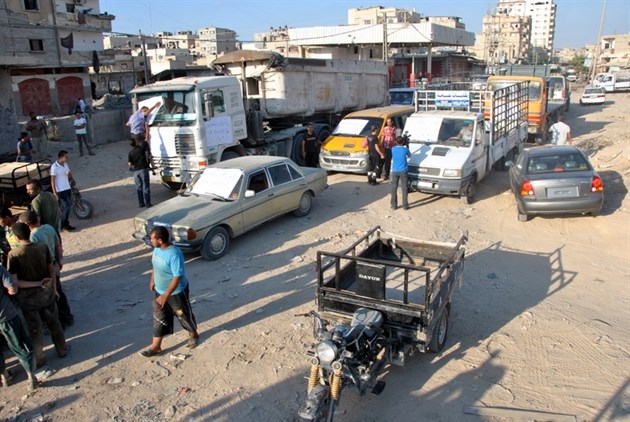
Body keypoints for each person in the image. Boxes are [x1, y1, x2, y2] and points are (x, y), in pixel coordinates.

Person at [7, 222, 69, 368]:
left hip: (28, 299)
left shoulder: (13, 255)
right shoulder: (42, 247)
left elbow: (16, 282)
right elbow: (51, 271)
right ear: (29, 232)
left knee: (35, 329)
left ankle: (40, 358)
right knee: (54, 323)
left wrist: (36, 284)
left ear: (16, 237)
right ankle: (62, 349)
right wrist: (54, 289)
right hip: (47, 293)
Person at [139, 226, 199, 357]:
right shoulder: (157, 249)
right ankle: (156, 346)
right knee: (159, 317)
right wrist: (152, 279)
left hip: (176, 292)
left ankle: (193, 334)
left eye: (152, 238)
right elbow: (155, 265)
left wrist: (166, 294)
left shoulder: (174, 254)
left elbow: (178, 276)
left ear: (160, 240)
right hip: (159, 291)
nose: (151, 240)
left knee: (183, 315)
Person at [19, 211, 74, 328]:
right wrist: (59, 260)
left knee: (51, 297)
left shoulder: (33, 236)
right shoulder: (49, 227)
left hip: (46, 269)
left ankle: (60, 323)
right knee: (59, 291)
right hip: (54, 264)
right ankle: (68, 317)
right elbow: (58, 244)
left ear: (27, 224)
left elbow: (37, 257)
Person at [0, 265, 38, 391]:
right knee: (20, 345)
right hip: (7, 316)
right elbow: (12, 289)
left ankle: (5, 378)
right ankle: (31, 378)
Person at [51, 150, 75, 231]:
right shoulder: (54, 167)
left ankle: (66, 224)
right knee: (66, 208)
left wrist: (70, 175)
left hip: (67, 187)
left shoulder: (65, 164)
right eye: (66, 156)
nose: (67, 158)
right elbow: (52, 180)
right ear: (61, 157)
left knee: (68, 207)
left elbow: (69, 173)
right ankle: (63, 225)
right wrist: (55, 192)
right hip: (61, 190)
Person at [128, 138, 152, 208]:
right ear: (135, 142)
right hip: (143, 170)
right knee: (146, 187)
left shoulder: (130, 153)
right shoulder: (141, 149)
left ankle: (141, 203)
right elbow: (145, 144)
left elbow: (129, 164)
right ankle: (147, 203)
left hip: (136, 172)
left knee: (139, 187)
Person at [390, 136, 411, 211]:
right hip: (403, 170)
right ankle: (405, 205)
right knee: (404, 188)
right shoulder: (405, 149)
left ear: (396, 142)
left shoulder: (393, 149)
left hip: (395, 170)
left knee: (394, 188)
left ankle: (393, 205)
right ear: (403, 142)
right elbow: (410, 155)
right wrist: (407, 146)